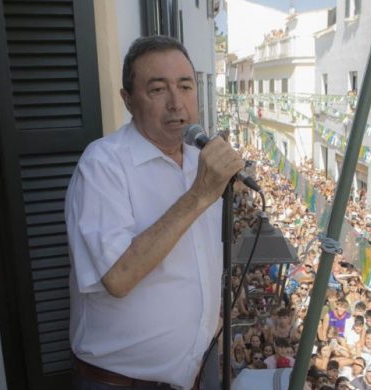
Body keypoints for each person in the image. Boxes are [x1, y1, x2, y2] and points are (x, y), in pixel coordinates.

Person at [66, 36, 246, 390]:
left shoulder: (200, 159)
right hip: (122, 382)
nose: (177, 103)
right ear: (128, 100)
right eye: (157, 90)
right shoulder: (102, 164)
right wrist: (198, 196)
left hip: (199, 369)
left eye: (185, 86)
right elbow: (118, 277)